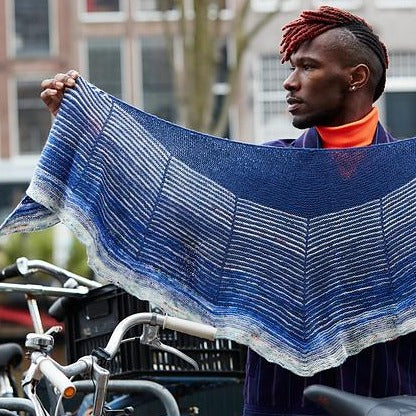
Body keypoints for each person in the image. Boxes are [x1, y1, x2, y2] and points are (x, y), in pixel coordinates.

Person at [40, 6, 416, 416]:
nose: (290, 81)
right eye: (292, 67)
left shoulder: (406, 185)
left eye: (308, 67)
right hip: (279, 399)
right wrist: (89, 132)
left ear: (356, 77)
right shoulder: (266, 172)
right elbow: (172, 203)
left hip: (385, 396)